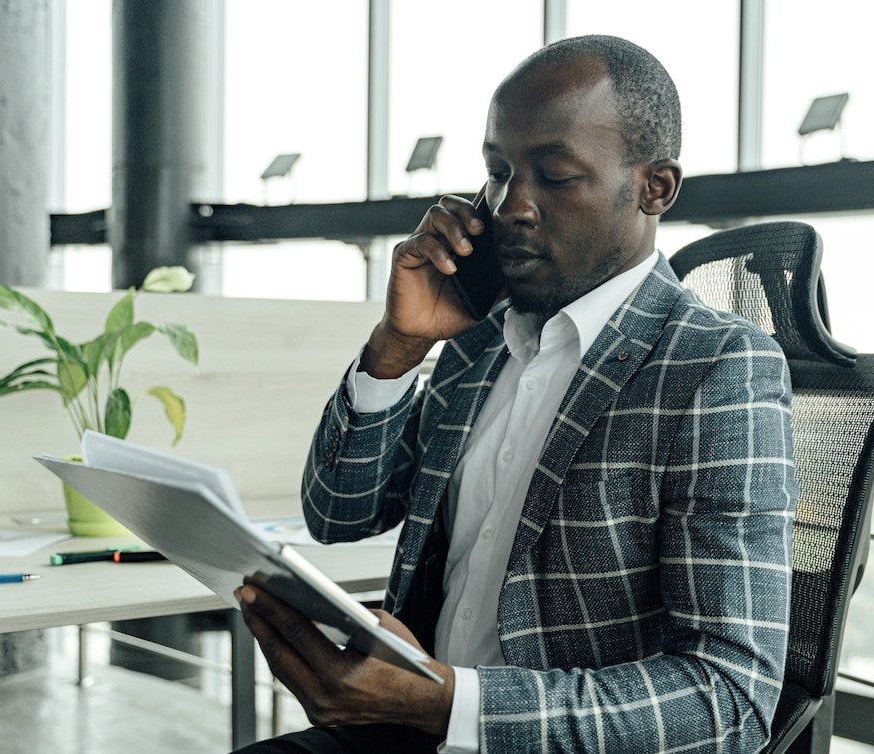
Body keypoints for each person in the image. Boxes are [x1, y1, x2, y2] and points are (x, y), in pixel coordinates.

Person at [234, 34, 796, 754]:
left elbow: (727, 703)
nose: (511, 207)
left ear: (653, 187)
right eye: (496, 173)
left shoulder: (716, 366)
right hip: (405, 731)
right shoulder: (475, 341)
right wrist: (400, 344)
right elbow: (339, 513)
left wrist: (448, 704)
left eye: (555, 177)